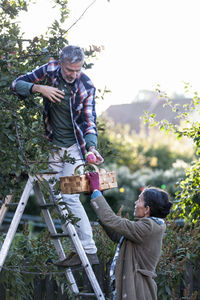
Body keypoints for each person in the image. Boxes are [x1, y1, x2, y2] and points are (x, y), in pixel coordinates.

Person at [12, 45, 104, 267]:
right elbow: (15, 84)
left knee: (70, 197)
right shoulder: (50, 70)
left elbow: (90, 120)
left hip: (75, 148)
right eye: (70, 69)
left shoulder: (86, 85)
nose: (73, 74)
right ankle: (75, 250)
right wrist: (39, 88)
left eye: (78, 69)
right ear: (61, 64)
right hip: (52, 146)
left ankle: (89, 251)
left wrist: (92, 148)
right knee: (57, 197)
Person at [85, 172, 173, 300]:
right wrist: (100, 198)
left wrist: (96, 192)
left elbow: (114, 221)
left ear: (147, 209)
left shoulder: (148, 227)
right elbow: (118, 235)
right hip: (135, 288)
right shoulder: (148, 227)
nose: (135, 203)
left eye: (139, 200)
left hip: (137, 290)